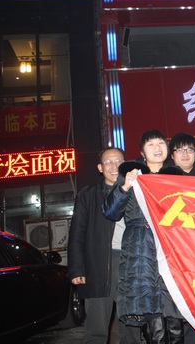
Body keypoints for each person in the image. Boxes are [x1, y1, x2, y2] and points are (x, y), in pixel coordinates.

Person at [104, 130, 195, 344]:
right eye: (151, 145)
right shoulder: (131, 175)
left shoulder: (175, 176)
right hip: (141, 250)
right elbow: (110, 212)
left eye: (160, 143)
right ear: (142, 152)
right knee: (151, 312)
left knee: (174, 309)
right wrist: (125, 186)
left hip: (171, 247)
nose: (157, 148)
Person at [68, 147, 141, 344]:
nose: (114, 166)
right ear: (100, 168)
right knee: (96, 327)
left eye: (119, 161)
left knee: (131, 325)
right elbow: (77, 233)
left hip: (131, 261)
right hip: (100, 263)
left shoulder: (137, 191)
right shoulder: (88, 195)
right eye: (108, 162)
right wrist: (76, 268)